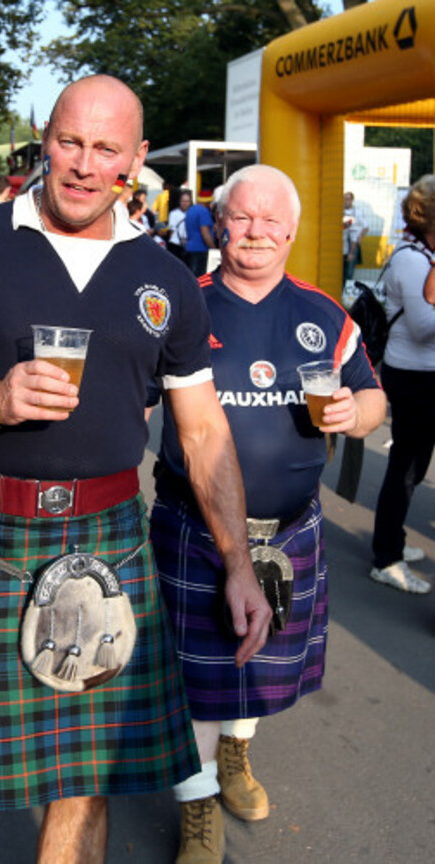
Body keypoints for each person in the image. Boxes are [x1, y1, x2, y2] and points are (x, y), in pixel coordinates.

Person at [0, 74, 270, 864]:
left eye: (107, 149)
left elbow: (202, 430)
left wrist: (237, 563)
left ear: (137, 158)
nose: (85, 165)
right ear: (44, 139)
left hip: (110, 542)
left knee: (83, 778)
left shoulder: (165, 280)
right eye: (70, 142)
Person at [149, 164, 386, 864]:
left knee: (253, 666)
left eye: (268, 220)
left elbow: (372, 397)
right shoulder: (180, 305)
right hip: (191, 528)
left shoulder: (324, 314)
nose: (254, 231)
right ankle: (195, 801)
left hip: (289, 533)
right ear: (221, 224)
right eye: (241, 217)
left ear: (292, 229)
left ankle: (235, 757)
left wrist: (356, 413)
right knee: (191, 677)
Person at [370, 175, 435, 594]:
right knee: (407, 468)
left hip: (420, 375)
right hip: (415, 378)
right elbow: (425, 326)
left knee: (413, 466)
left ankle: (392, 542)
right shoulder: (413, 260)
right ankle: (386, 557)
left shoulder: (422, 254)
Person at [184, 196, 216, 276]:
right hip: (201, 249)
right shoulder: (203, 211)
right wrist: (213, 248)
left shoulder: (190, 210)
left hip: (190, 247)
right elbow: (205, 232)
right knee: (200, 277)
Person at [343, 191, 368, 286]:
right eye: (344, 199)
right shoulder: (340, 211)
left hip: (353, 243)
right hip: (342, 243)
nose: (346, 201)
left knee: (349, 271)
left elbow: (366, 227)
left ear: (352, 200)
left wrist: (360, 237)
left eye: (348, 199)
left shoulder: (358, 212)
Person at [167, 189, 192, 261]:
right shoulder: (173, 213)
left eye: (187, 201)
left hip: (188, 244)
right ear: (179, 202)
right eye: (183, 201)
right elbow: (172, 230)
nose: (185, 203)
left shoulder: (192, 213)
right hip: (175, 244)